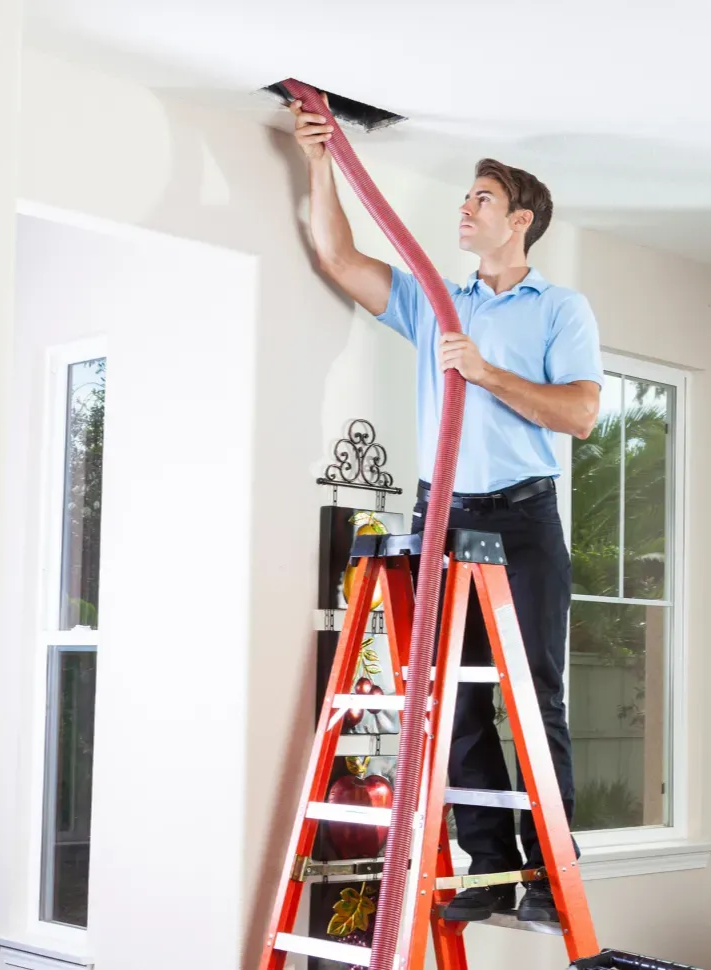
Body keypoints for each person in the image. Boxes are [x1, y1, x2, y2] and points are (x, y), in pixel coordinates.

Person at [290, 98, 603, 924]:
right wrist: (321, 161)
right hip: (443, 519)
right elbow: (335, 254)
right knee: (451, 697)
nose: (465, 209)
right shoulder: (436, 298)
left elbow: (578, 414)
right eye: (465, 197)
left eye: (482, 200)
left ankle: (547, 874)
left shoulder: (559, 309)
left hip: (524, 521)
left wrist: (486, 372)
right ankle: (488, 863)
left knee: (532, 695)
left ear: (521, 221)